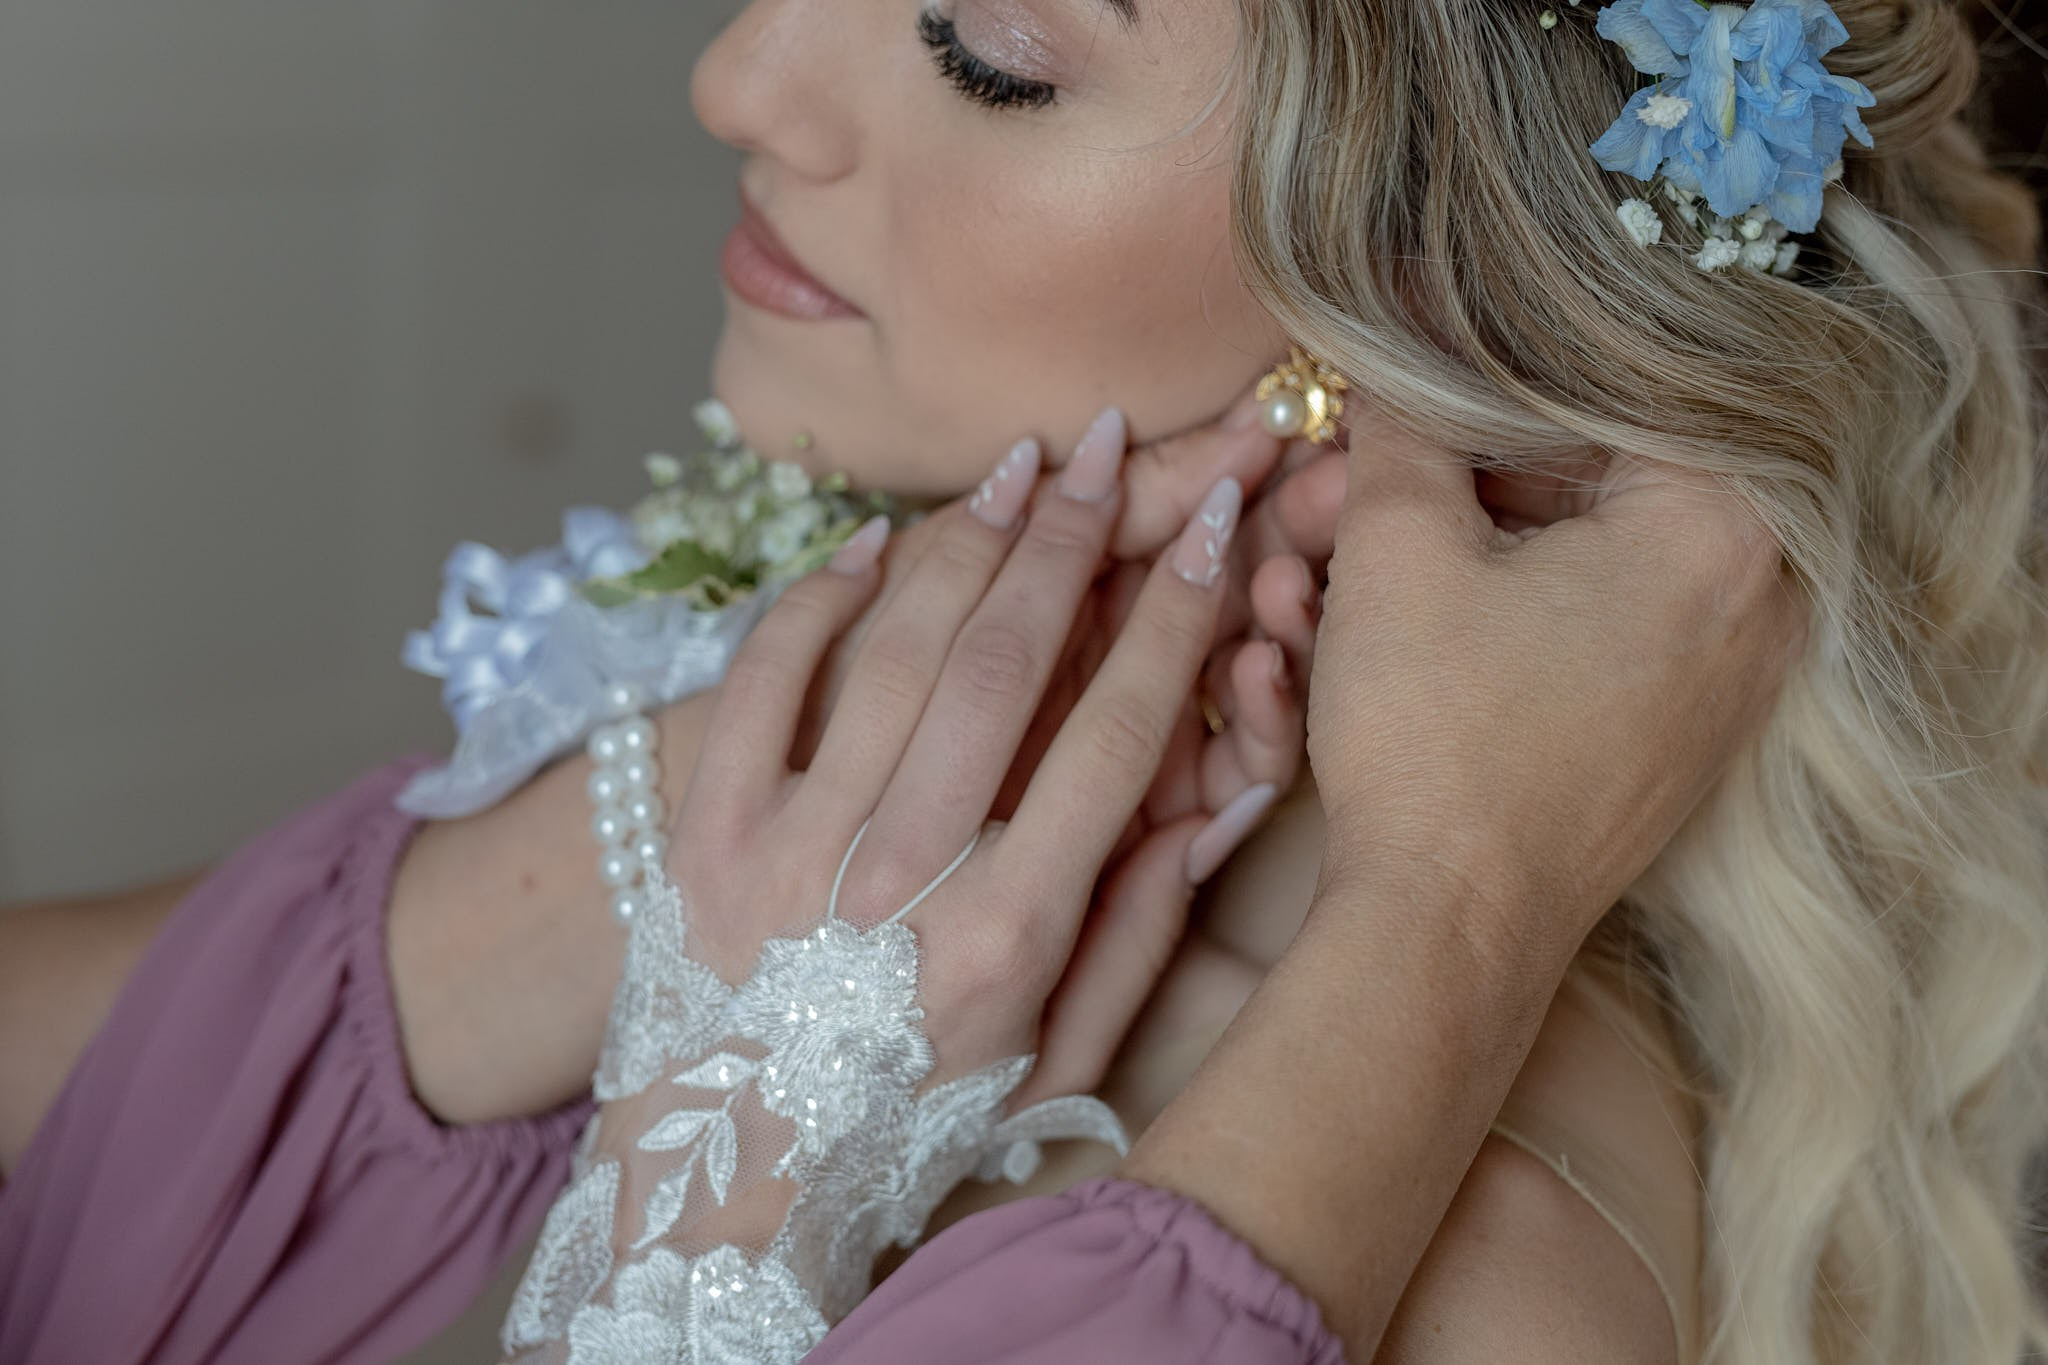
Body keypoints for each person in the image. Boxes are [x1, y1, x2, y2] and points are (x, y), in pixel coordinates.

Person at [5, 0, 2046, 1361]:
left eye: (985, 48)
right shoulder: (813, 817)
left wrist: (720, 1191)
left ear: (1428, 297)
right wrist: (664, 827)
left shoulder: (1490, 1265)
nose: (739, 74)